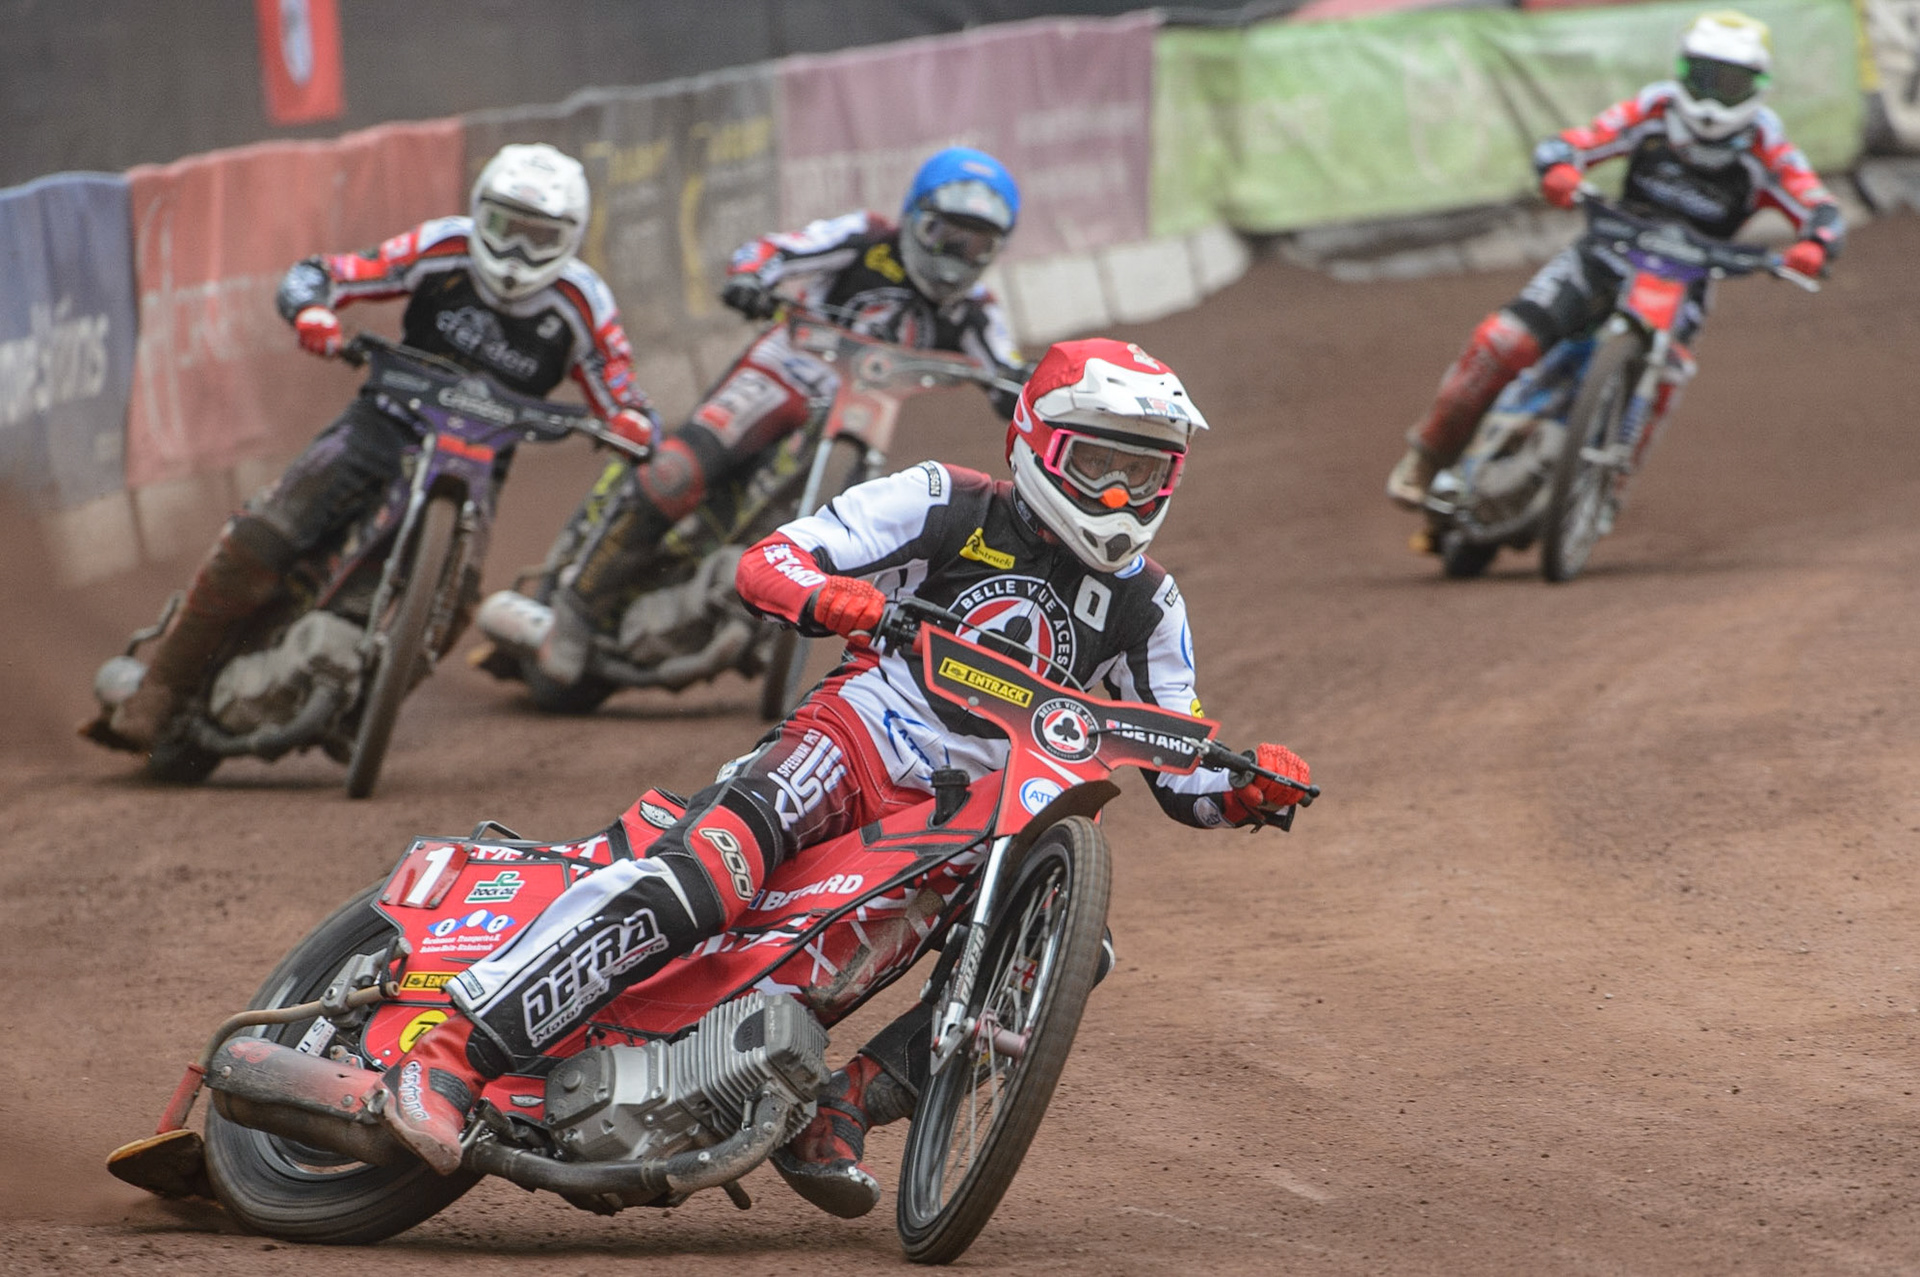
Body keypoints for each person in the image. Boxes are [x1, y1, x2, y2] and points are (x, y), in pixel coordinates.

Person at [375, 337, 1313, 1221]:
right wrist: (830, 595)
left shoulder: (1150, 604)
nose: (1118, 495)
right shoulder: (949, 499)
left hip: (977, 820)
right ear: (1038, 442)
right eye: (1100, 465)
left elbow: (1181, 765)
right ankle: (454, 1054)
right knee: (709, 876)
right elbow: (771, 559)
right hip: (858, 737)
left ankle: (843, 1105)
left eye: (1143, 473)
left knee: (1069, 948)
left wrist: (1247, 789)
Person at [95, 143, 658, 752]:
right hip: (384, 420)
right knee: (264, 533)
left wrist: (631, 421)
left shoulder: (582, 303)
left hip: (478, 459)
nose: (517, 252)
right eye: (504, 228)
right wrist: (313, 310)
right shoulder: (444, 247)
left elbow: (620, 387)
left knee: (456, 603)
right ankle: (161, 686)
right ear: (478, 214)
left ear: (570, 239)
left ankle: (366, 709)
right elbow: (334, 273)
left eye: (538, 237)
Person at [533, 145, 1029, 688]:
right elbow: (774, 251)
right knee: (675, 473)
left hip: (860, 419)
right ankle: (577, 612)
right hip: (784, 375)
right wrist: (752, 277)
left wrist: (1018, 387)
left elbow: (1004, 366)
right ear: (914, 217)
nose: (955, 256)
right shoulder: (864, 239)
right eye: (946, 236)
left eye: (976, 245)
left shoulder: (975, 310)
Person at [1383, 10, 1843, 511]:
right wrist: (1560, 165)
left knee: (1668, 371)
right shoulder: (1653, 110)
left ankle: (1608, 491)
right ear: (1683, 72)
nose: (1713, 96)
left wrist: (1815, 244)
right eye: (1704, 77)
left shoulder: (1766, 144)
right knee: (1501, 341)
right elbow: (1583, 140)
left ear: (1757, 86)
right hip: (1608, 252)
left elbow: (1819, 205)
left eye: (1730, 82)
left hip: (1686, 276)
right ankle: (1428, 458)